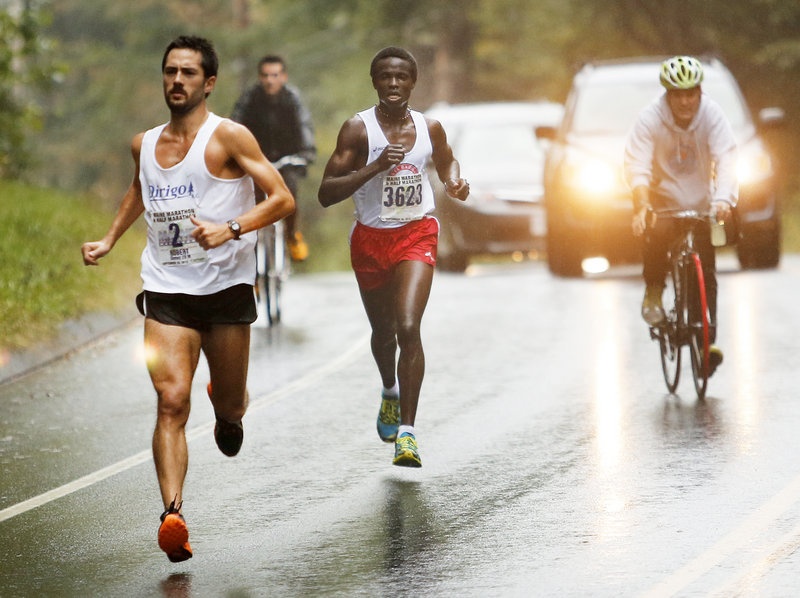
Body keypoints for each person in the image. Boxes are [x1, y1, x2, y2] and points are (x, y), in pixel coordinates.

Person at [81, 35, 294, 562]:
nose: (177, 81)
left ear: (209, 82)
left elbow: (283, 198)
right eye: (170, 71)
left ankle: (228, 411)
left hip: (226, 292)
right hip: (167, 288)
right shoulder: (145, 143)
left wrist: (231, 228)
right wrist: (110, 238)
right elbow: (140, 189)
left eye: (189, 73)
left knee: (229, 404)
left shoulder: (230, 137)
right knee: (172, 400)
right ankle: (172, 515)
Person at [317, 47, 469, 467]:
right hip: (370, 240)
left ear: (413, 82)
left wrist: (454, 182)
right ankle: (389, 388)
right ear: (375, 82)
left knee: (407, 325)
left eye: (401, 77)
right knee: (383, 333)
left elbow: (446, 160)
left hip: (416, 233)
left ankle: (408, 433)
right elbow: (326, 193)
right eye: (385, 76)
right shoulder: (357, 130)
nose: (394, 83)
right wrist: (375, 166)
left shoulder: (429, 127)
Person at [624, 55, 738, 376]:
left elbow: (727, 159)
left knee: (708, 269)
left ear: (700, 92)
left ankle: (706, 344)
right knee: (655, 232)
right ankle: (654, 292)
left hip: (703, 201)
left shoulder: (712, 115)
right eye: (678, 95)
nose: (686, 101)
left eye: (692, 93)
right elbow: (637, 166)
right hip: (664, 201)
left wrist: (724, 199)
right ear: (668, 95)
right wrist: (643, 203)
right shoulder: (649, 119)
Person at [231, 54, 316, 261]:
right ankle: (252, 252)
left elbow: (304, 125)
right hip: (257, 159)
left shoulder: (292, 98)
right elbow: (234, 125)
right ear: (260, 77)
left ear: (284, 76)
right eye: (265, 75)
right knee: (253, 199)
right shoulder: (250, 98)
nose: (270, 80)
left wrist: (307, 152)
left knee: (290, 190)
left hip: (287, 158)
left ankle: (291, 235)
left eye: (275, 75)